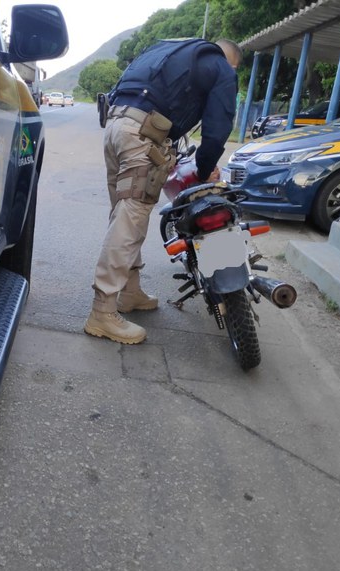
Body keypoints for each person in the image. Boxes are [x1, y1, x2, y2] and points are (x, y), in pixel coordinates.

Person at [84, 38, 242, 345]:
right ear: (231, 61)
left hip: (116, 126)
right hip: (142, 136)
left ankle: (129, 294)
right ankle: (102, 313)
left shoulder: (170, 53)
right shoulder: (222, 67)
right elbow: (218, 127)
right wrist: (205, 167)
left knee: (123, 215)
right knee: (130, 219)